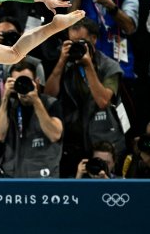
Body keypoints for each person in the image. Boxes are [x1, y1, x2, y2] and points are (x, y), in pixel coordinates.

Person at [43, 18, 126, 177]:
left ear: (93, 39)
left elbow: (103, 101)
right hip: (74, 142)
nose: (76, 46)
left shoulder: (109, 67)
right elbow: (49, 96)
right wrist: (61, 62)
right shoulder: (67, 64)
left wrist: (88, 65)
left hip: (104, 142)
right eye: (71, 42)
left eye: (80, 42)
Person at [69, 0, 139, 102]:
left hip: (121, 70)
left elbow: (130, 28)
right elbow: (67, 28)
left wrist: (111, 5)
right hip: (89, 68)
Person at [0, 61, 63, 178]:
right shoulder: (9, 105)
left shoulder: (50, 103)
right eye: (18, 82)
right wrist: (5, 98)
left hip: (43, 177)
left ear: (37, 82)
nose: (22, 86)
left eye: (27, 81)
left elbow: (54, 135)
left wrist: (36, 101)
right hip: (12, 177)